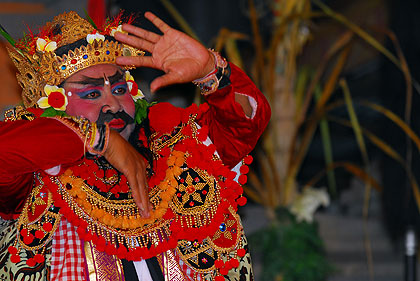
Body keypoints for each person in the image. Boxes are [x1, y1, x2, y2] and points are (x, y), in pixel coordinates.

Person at [0, 10, 270, 281]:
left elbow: (242, 125)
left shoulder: (178, 144)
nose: (113, 105)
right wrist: (98, 139)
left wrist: (213, 71)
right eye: (92, 94)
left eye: (119, 90)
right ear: (53, 105)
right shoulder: (38, 170)